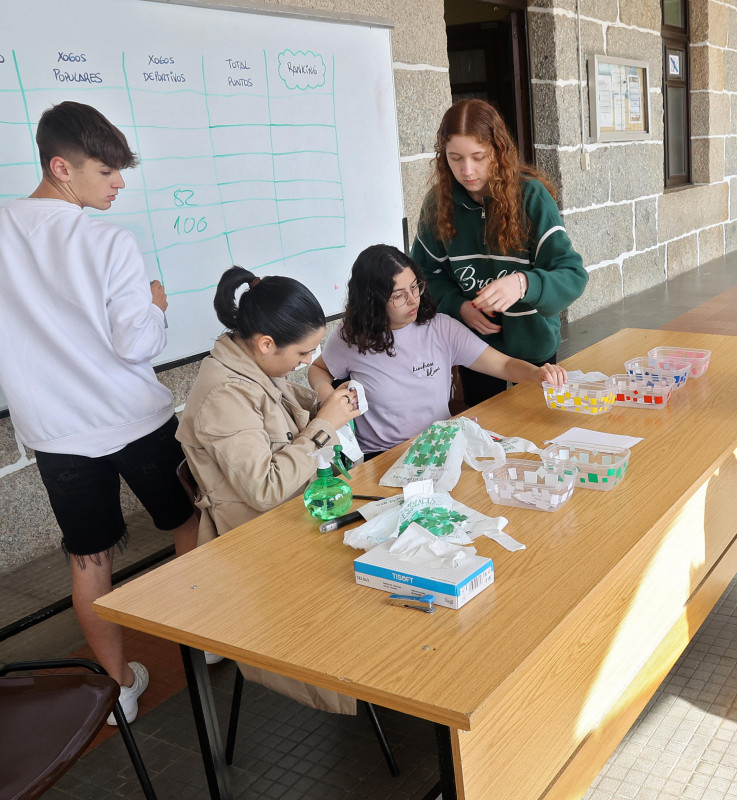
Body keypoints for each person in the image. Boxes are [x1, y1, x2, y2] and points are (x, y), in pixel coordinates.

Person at [0, 101, 200, 725]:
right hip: (136, 420)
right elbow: (136, 345)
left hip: (56, 433)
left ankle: (119, 690)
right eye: (107, 172)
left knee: (89, 558)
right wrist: (156, 303)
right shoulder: (108, 240)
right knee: (188, 523)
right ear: (61, 167)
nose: (119, 184)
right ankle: (208, 646)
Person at [176, 266, 361, 713]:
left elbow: (280, 406)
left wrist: (324, 404)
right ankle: (376, 675)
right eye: (303, 354)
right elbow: (264, 489)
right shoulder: (224, 392)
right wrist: (325, 426)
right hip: (261, 533)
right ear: (265, 344)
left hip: (296, 510)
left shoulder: (249, 365)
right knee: (379, 567)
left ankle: (390, 668)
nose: (305, 363)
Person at [308, 245, 567, 455]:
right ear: (372, 301)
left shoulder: (441, 327)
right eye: (398, 295)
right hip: (382, 456)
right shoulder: (351, 335)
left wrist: (537, 374)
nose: (412, 300)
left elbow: (503, 365)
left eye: (415, 287)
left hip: (439, 449)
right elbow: (318, 369)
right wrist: (327, 396)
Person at [411, 99, 587, 407]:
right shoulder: (438, 204)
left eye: (478, 157)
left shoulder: (531, 197)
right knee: (486, 433)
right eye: (455, 158)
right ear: (444, 158)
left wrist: (522, 284)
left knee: (539, 428)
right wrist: (459, 306)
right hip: (475, 349)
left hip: (534, 345)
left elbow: (572, 275)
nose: (467, 171)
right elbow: (422, 276)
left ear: (497, 151)